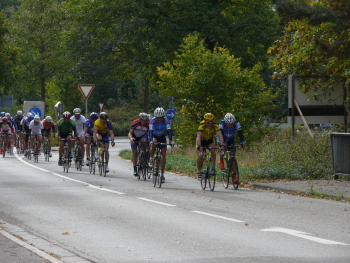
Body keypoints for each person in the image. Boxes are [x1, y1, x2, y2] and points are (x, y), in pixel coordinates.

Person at [218, 113, 245, 182]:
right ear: (225, 122)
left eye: (231, 124)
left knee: (233, 155)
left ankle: (234, 175)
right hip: (222, 138)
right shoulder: (221, 123)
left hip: (230, 139)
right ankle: (221, 160)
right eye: (228, 124)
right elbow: (220, 134)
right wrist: (222, 144)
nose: (230, 125)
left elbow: (240, 132)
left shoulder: (236, 123)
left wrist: (242, 141)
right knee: (223, 148)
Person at [196, 113, 225, 179]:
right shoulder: (202, 125)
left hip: (209, 140)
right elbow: (199, 136)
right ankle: (199, 171)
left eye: (211, 122)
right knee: (200, 155)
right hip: (201, 140)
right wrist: (199, 146)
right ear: (205, 121)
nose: (210, 124)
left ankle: (213, 168)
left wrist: (221, 145)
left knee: (213, 150)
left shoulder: (215, 126)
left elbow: (220, 136)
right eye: (208, 122)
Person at [149, 107, 173, 183]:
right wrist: (151, 141)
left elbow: (169, 131)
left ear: (163, 116)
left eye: (161, 118)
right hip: (154, 136)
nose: (159, 119)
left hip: (162, 136)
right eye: (158, 118)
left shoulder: (166, 121)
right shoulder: (152, 121)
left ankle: (162, 174)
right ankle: (151, 158)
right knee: (154, 142)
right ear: (155, 117)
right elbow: (150, 131)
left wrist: (170, 141)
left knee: (163, 153)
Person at [128, 112, 150, 176]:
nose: (144, 122)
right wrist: (131, 138)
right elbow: (130, 133)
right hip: (134, 137)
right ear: (140, 119)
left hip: (142, 136)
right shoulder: (135, 123)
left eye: (145, 120)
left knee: (144, 141)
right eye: (142, 120)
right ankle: (135, 169)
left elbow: (149, 134)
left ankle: (145, 154)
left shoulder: (148, 125)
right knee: (135, 153)